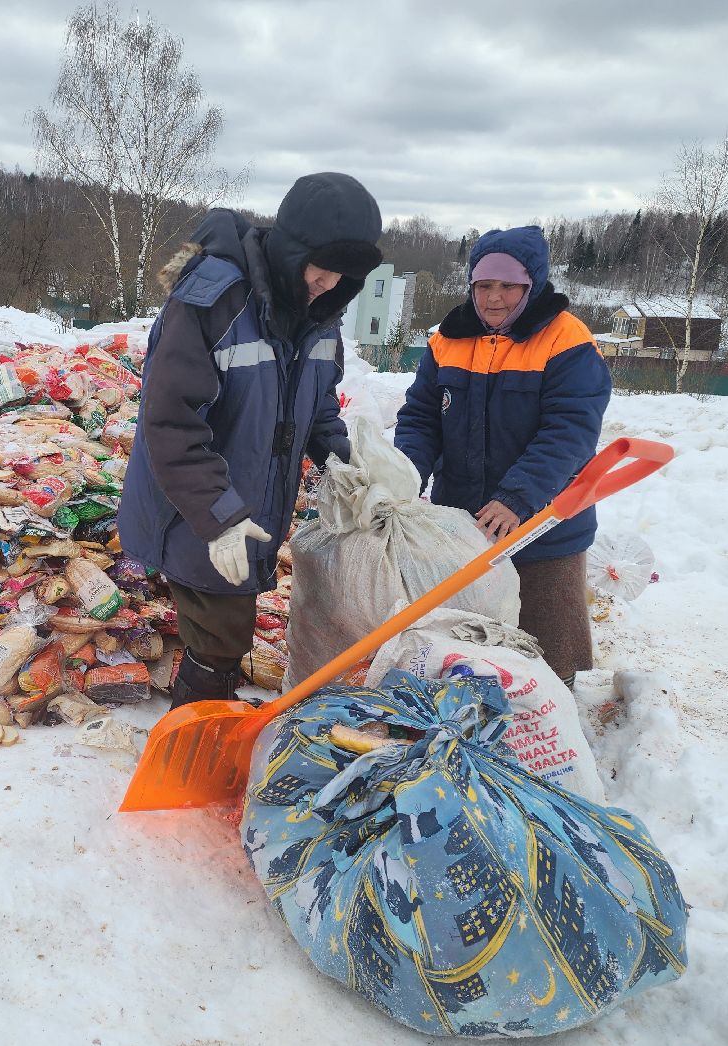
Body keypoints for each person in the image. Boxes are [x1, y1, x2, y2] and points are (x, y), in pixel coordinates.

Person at [118, 172, 383, 707]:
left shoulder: (319, 316)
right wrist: (220, 514)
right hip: (194, 506)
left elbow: (317, 405)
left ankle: (204, 724)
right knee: (220, 636)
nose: (329, 285)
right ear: (291, 251)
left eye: (344, 277)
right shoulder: (213, 300)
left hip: (252, 503)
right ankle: (190, 749)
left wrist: (343, 465)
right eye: (322, 269)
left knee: (220, 632)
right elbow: (172, 420)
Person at [392, 225, 612, 687]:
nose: (494, 298)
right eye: (483, 285)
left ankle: (551, 727)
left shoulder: (566, 341)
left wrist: (517, 497)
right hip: (463, 521)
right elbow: (421, 419)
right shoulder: (447, 339)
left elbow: (569, 431)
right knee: (468, 638)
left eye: (509, 286)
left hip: (543, 523)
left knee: (547, 645)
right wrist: (403, 478)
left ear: (532, 285)